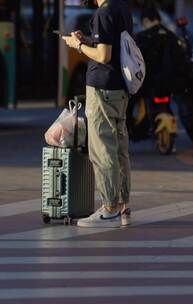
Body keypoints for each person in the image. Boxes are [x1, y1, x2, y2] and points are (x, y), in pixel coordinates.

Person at [62, 0, 132, 228]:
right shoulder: (121, 7)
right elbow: (110, 45)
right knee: (119, 148)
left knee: (102, 149)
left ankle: (109, 209)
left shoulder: (104, 12)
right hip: (119, 89)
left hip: (102, 89)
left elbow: (103, 56)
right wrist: (88, 40)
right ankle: (122, 206)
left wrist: (77, 46)